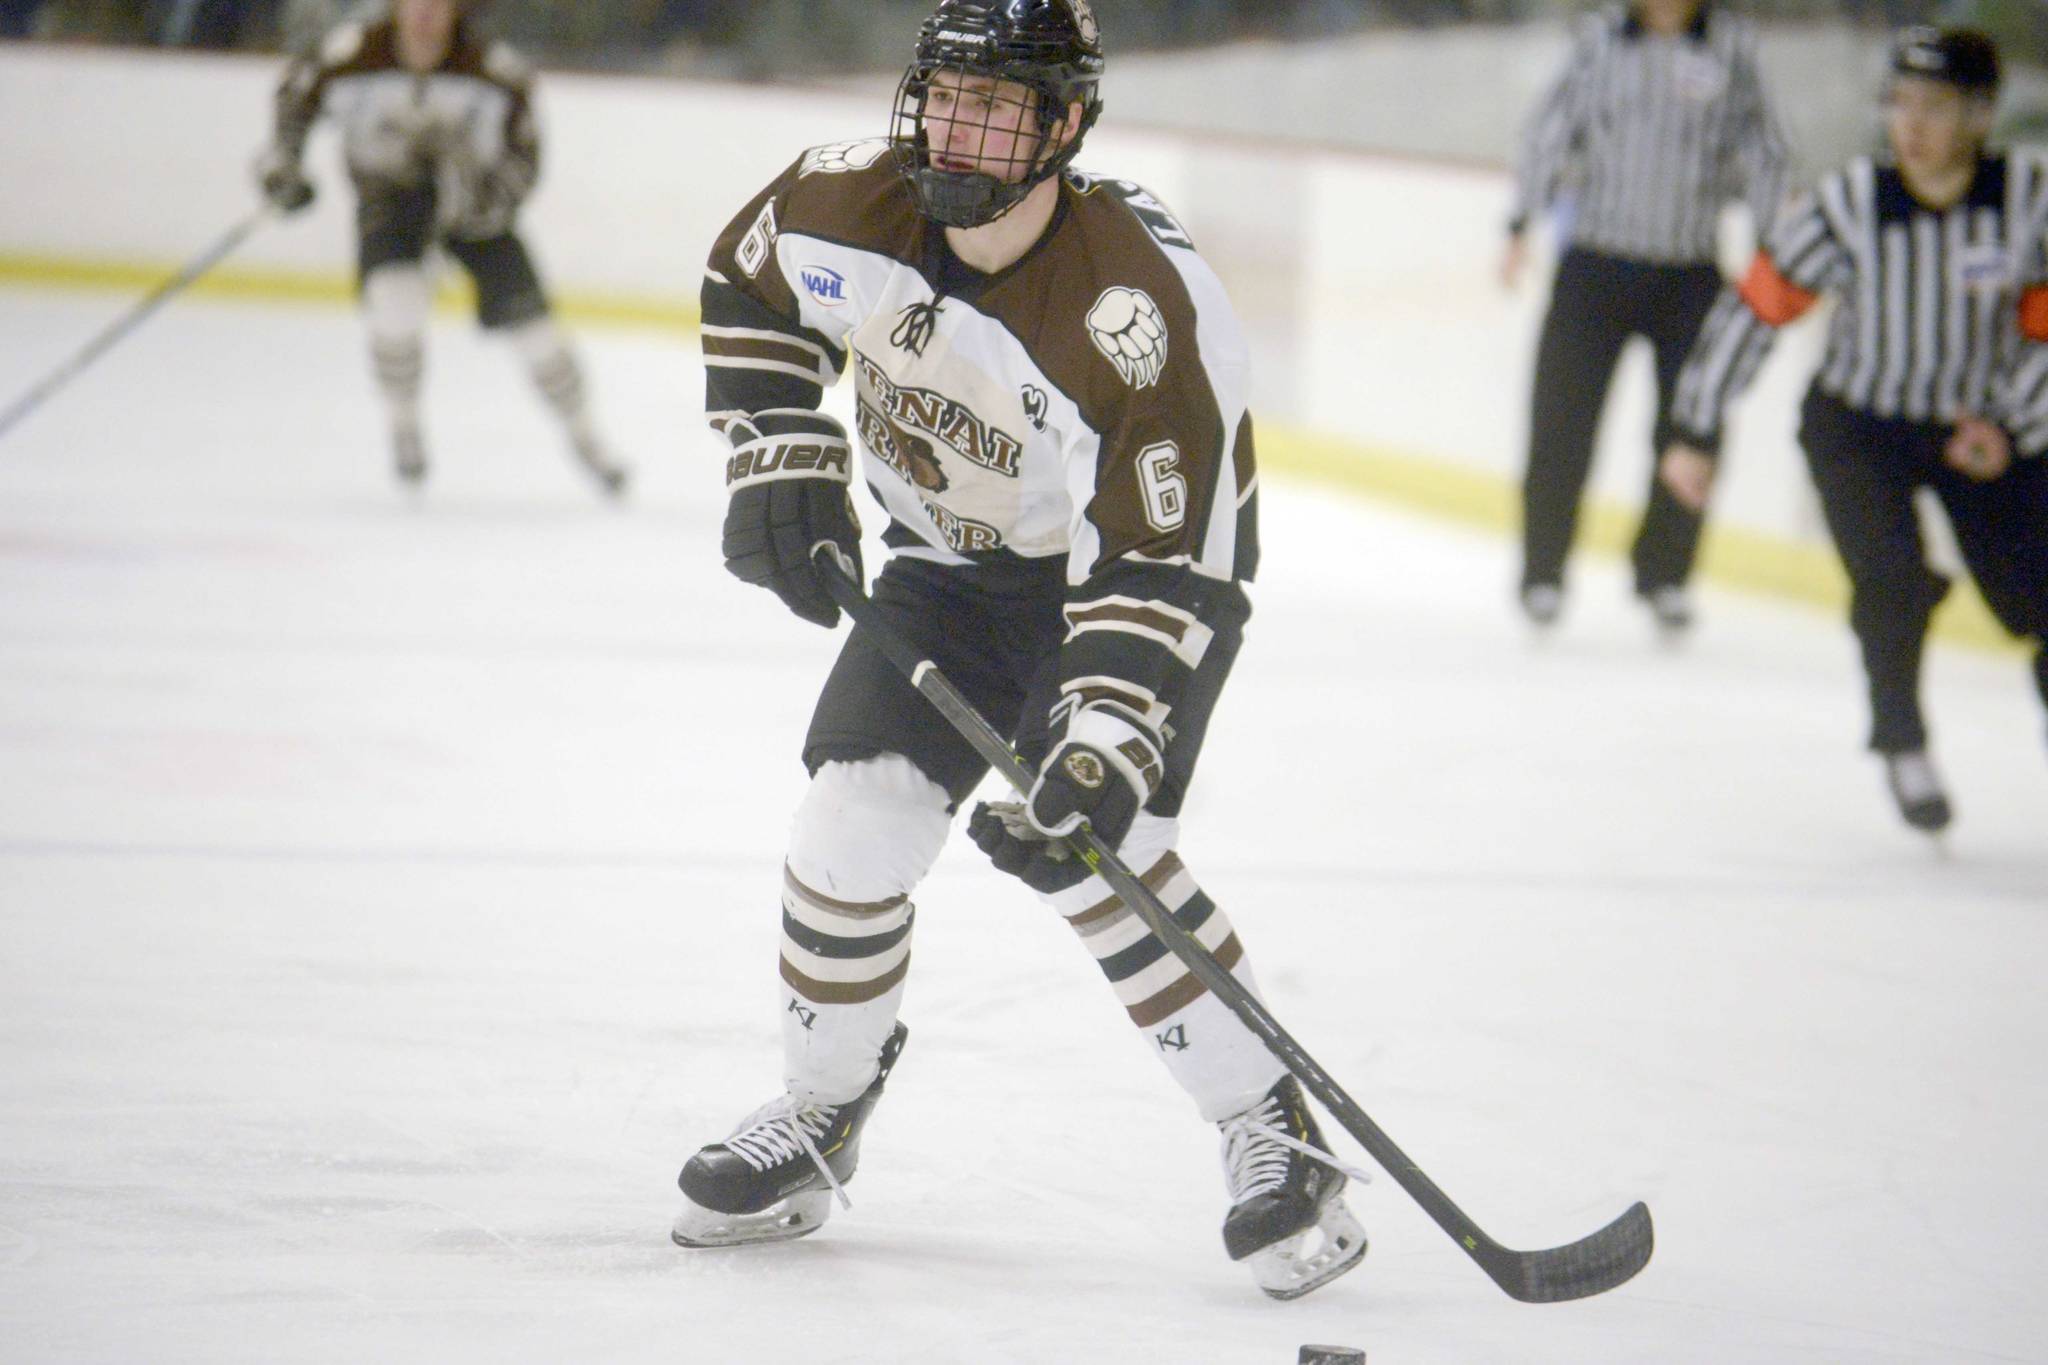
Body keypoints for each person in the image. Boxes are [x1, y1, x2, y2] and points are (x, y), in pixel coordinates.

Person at [671, 0, 1368, 1302]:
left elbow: (1160, 554)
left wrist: (1101, 733)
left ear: (1064, 126)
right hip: (945, 560)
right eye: (950, 95)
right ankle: (821, 1114)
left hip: (1137, 583)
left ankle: (1270, 1131)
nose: (964, 128)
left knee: (1102, 848)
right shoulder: (842, 199)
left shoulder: (1133, 311)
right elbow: (750, 283)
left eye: (1002, 107)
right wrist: (783, 447)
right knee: (847, 827)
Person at [1663, 27, 2048, 834]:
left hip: (1980, 432)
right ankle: (1901, 739)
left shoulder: (2027, 201)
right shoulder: (1850, 204)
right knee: (1891, 579)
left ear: (1980, 115)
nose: (1911, 125)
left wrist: (2011, 423)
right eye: (1899, 103)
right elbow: (1758, 307)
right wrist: (1695, 427)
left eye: (1935, 107)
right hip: (1859, 424)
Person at [253, 0, 627, 494]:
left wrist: (484, 200)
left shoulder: (494, 70)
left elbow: (526, 158)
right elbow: (294, 98)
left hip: (475, 213)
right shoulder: (350, 54)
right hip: (390, 204)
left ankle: (587, 438)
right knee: (394, 304)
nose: (425, 12)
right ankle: (403, 425)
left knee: (538, 332)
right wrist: (284, 166)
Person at [1503, 0, 1788, 632]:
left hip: (1689, 270)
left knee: (1692, 426)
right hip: (1596, 264)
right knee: (1560, 424)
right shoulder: (1599, 37)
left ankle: (1665, 574)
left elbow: (1764, 147)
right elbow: (1551, 127)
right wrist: (1522, 219)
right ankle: (1543, 572)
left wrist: (1771, 245)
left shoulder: (1732, 47)